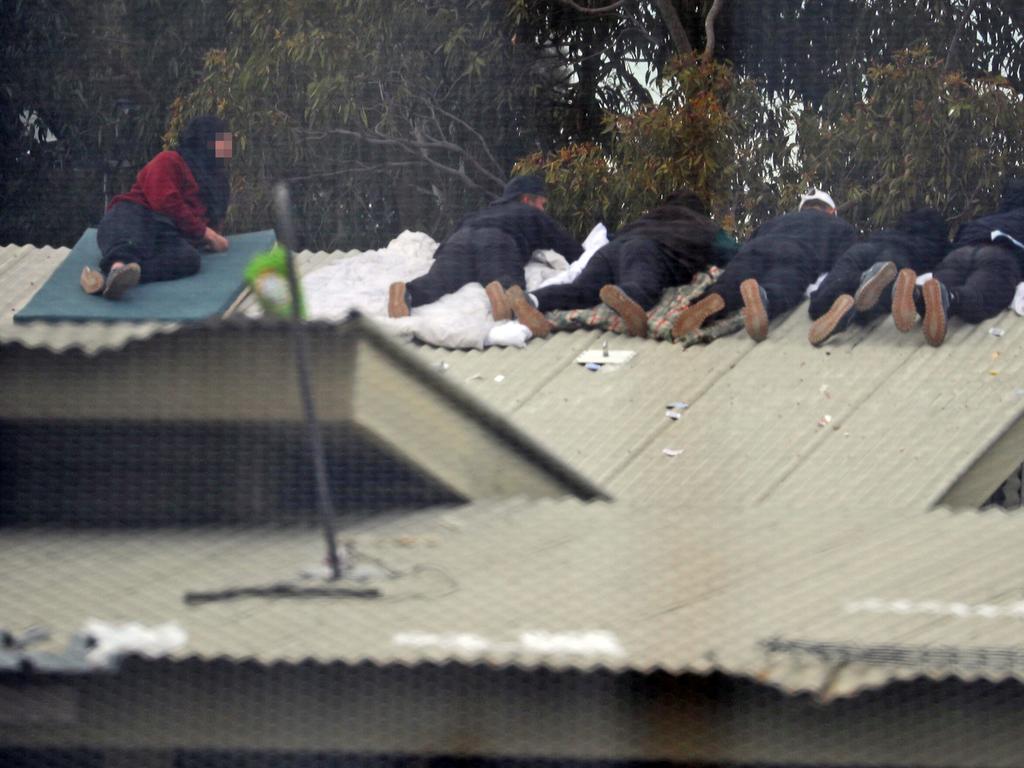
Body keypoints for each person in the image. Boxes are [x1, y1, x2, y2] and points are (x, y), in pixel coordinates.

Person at [505, 190, 738, 338]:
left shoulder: (646, 218)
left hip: (611, 250)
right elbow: (732, 252)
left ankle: (531, 299)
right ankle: (624, 295)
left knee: (581, 291)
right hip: (645, 250)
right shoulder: (700, 223)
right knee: (642, 289)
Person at [671, 188, 857, 342]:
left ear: (803, 209)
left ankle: (716, 297)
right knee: (784, 284)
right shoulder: (838, 226)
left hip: (756, 248)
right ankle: (765, 298)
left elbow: (747, 245)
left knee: (734, 278)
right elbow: (846, 262)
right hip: (796, 253)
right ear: (832, 211)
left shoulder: (777, 221)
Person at [387, 175, 582, 321]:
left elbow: (450, 238)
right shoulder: (529, 212)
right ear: (526, 199)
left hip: (459, 241)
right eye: (542, 203)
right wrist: (584, 257)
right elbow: (564, 243)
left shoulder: (479, 213)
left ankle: (407, 293)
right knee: (504, 277)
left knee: (439, 279)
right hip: (497, 240)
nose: (543, 209)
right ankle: (503, 297)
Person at [80, 115, 233, 299]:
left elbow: (213, 226)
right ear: (208, 141)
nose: (229, 146)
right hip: (135, 214)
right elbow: (165, 202)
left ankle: (116, 278)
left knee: (189, 259)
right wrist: (206, 234)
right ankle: (117, 267)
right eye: (224, 140)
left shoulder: (219, 184)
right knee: (130, 239)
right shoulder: (169, 160)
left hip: (167, 233)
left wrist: (210, 237)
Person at [893, 178, 1024, 346]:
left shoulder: (986, 219)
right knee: (981, 296)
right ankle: (951, 297)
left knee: (935, 294)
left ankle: (915, 294)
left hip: (959, 255)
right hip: (998, 257)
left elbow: (953, 244)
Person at [806, 207, 949, 346]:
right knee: (875, 300)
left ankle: (862, 279)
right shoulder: (935, 239)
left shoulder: (895, 229)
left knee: (819, 304)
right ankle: (914, 295)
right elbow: (948, 261)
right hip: (899, 255)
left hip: (864, 249)